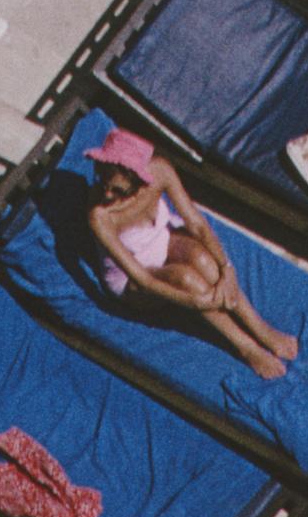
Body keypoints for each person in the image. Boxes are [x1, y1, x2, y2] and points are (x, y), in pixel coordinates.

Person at [83, 140, 296, 375]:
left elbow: (197, 225)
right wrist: (194, 302)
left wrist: (227, 269)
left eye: (118, 190)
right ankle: (246, 347)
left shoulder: (160, 171)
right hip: (131, 281)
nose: (106, 194)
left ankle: (261, 329)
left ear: (141, 181)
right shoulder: (100, 217)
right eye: (102, 182)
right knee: (185, 278)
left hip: (162, 239)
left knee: (203, 259)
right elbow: (144, 280)